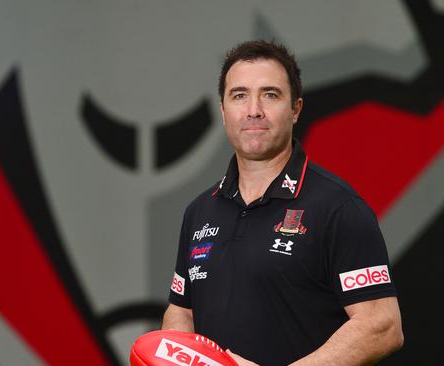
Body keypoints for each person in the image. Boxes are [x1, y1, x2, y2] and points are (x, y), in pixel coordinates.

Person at [162, 40, 403, 366]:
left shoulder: (338, 207)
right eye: (239, 95)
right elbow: (182, 310)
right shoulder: (200, 212)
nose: (253, 110)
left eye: (270, 94)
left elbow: (382, 325)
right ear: (223, 110)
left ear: (296, 109)